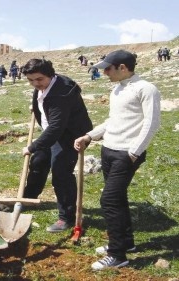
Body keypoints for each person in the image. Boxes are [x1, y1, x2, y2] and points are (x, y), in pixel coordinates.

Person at [74, 50, 161, 270]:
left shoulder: (146, 89)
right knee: (118, 198)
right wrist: (89, 136)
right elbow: (112, 121)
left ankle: (117, 255)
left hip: (126, 153)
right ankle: (126, 242)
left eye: (108, 68)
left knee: (109, 200)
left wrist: (133, 152)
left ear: (123, 68)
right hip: (109, 150)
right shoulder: (117, 89)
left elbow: (151, 124)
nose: (104, 73)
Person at [21, 59, 93, 232]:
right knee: (38, 162)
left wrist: (32, 147)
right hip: (52, 131)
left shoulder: (62, 93)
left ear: (50, 75)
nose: (35, 84)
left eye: (39, 79)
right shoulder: (44, 86)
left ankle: (66, 217)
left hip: (71, 135)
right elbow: (45, 105)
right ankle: (27, 199)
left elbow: (56, 128)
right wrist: (38, 107)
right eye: (31, 80)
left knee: (61, 172)